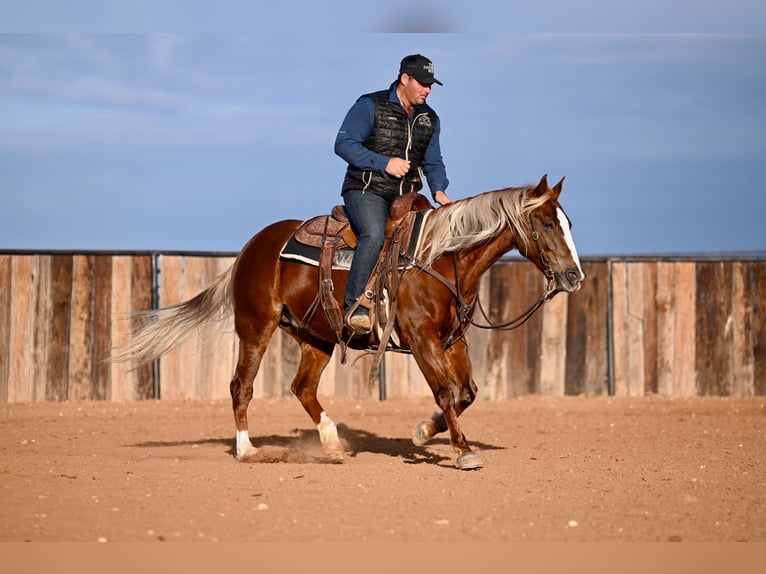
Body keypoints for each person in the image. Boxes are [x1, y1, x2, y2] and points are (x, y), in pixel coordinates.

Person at [335, 54, 452, 334]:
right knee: (374, 235)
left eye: (431, 85)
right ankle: (356, 307)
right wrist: (384, 162)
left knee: (436, 242)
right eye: (422, 83)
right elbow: (343, 144)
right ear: (405, 79)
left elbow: (433, 160)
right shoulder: (370, 105)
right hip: (366, 190)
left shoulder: (429, 119)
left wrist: (439, 189)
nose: (428, 89)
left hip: (408, 199)